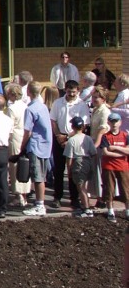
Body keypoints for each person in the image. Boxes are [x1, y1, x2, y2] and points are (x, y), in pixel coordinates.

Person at [50, 80, 89, 209]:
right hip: (59, 138)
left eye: (74, 92)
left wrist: (67, 137)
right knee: (59, 170)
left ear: (78, 91)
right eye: (69, 91)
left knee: (73, 169)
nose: (71, 94)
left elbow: (84, 125)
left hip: (74, 139)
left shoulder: (82, 104)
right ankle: (57, 197)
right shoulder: (57, 103)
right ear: (65, 90)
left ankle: (74, 198)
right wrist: (58, 136)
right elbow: (53, 121)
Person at [22, 82, 54, 217]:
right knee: (40, 175)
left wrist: (22, 147)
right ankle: (39, 203)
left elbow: (27, 131)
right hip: (46, 145)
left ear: (28, 91)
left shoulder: (31, 109)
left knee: (38, 176)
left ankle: (40, 205)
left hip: (36, 145)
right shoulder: (43, 107)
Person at [63, 116, 97, 218]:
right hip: (88, 161)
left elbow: (69, 157)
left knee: (81, 188)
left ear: (73, 127)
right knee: (84, 187)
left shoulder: (72, 140)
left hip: (78, 162)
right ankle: (85, 206)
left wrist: (69, 171)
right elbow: (93, 152)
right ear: (82, 127)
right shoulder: (88, 138)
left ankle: (87, 209)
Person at [100, 113, 129, 223]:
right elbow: (105, 152)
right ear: (108, 122)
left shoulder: (125, 135)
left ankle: (127, 211)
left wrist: (114, 147)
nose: (114, 123)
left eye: (116, 121)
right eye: (111, 121)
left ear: (120, 122)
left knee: (126, 189)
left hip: (123, 166)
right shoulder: (105, 136)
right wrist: (122, 152)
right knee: (109, 189)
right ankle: (110, 211)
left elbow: (128, 150)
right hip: (109, 166)